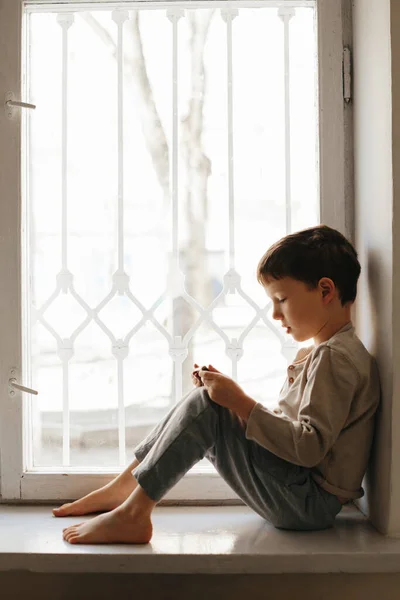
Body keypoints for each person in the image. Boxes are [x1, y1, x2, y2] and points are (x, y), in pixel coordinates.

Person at [54, 224, 380, 544]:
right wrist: (229, 396)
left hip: (307, 502)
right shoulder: (325, 352)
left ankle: (133, 513)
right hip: (300, 492)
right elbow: (294, 434)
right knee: (207, 399)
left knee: (208, 406)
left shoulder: (336, 359)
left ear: (325, 291)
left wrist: (238, 402)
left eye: (281, 298)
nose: (275, 314)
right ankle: (126, 488)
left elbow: (308, 448)